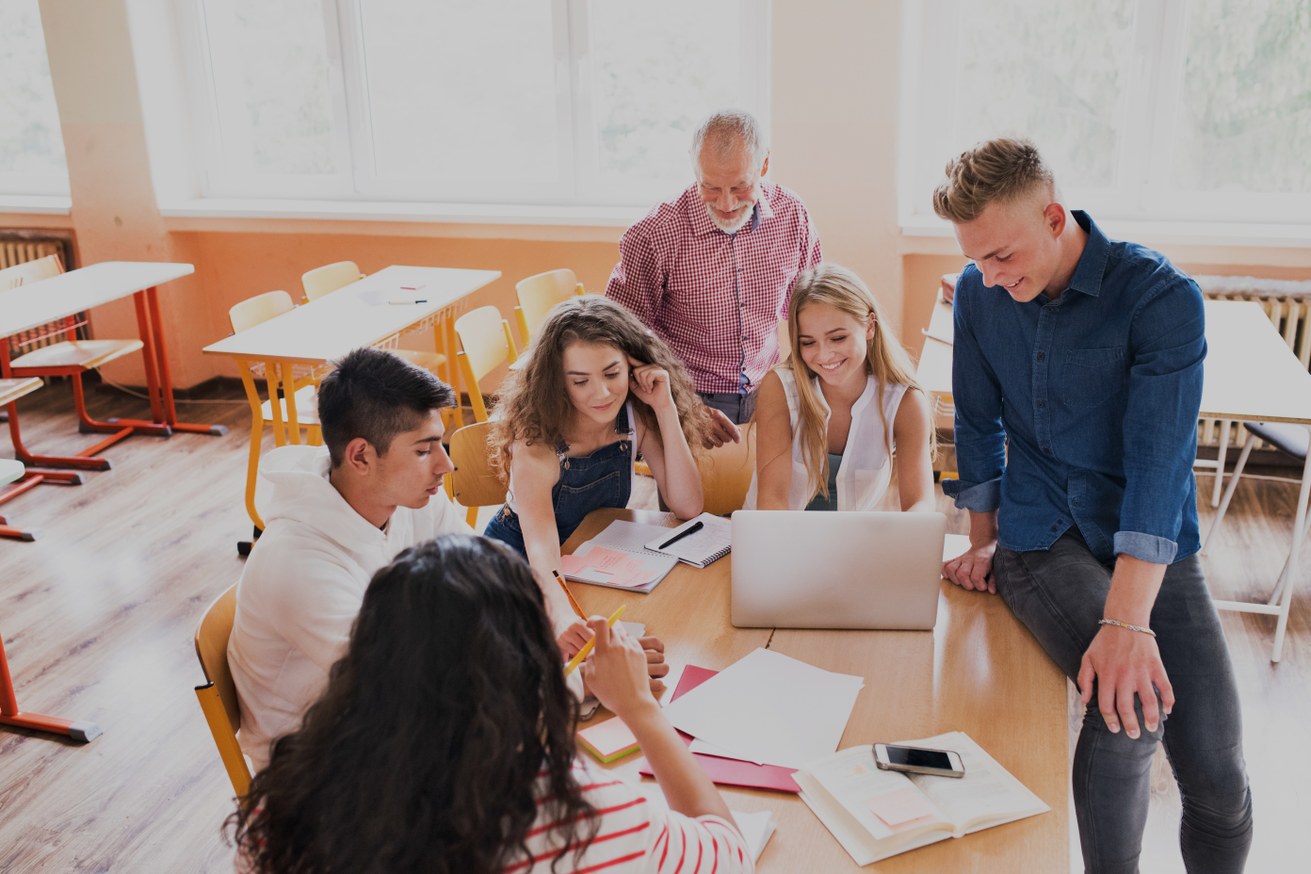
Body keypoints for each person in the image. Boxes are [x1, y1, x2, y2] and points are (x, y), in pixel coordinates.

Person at [933, 138, 1252, 873]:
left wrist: (1125, 619)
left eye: (1002, 256)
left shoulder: (1161, 299)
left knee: (1219, 783)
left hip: (1148, 539)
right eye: (976, 258)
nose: (988, 277)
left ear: (1052, 217)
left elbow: (1156, 466)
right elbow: (976, 424)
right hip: (1040, 535)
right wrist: (982, 536)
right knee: (1129, 713)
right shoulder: (982, 293)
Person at [230, 535, 753, 874]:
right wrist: (640, 709)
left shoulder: (280, 807)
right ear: (524, 664)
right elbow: (728, 854)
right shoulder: (587, 818)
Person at [227, 347, 472, 772]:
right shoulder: (298, 562)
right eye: (423, 450)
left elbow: (483, 575)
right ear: (360, 456)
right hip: (318, 767)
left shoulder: (410, 497)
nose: (445, 465)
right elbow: (397, 683)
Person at [605, 109, 822, 439]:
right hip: (688, 398)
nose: (726, 203)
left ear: (763, 165)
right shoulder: (654, 233)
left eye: (740, 186)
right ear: (694, 167)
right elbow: (617, 337)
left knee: (767, 492)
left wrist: (797, 381)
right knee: (690, 493)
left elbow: (812, 308)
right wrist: (684, 407)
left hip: (771, 390)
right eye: (711, 187)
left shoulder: (792, 215)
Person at [484, 295, 710, 588]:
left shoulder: (635, 416)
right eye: (580, 381)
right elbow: (542, 553)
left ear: (632, 365)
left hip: (587, 556)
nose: (602, 393)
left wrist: (664, 407)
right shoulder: (535, 444)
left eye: (612, 373)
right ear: (557, 383)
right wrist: (563, 615)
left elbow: (688, 506)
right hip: (519, 566)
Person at [745, 263, 935, 512]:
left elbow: (921, 503)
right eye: (808, 342)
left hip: (853, 545)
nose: (824, 355)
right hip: (777, 540)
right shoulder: (780, 387)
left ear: (869, 326)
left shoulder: (905, 402)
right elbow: (772, 501)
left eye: (838, 338)